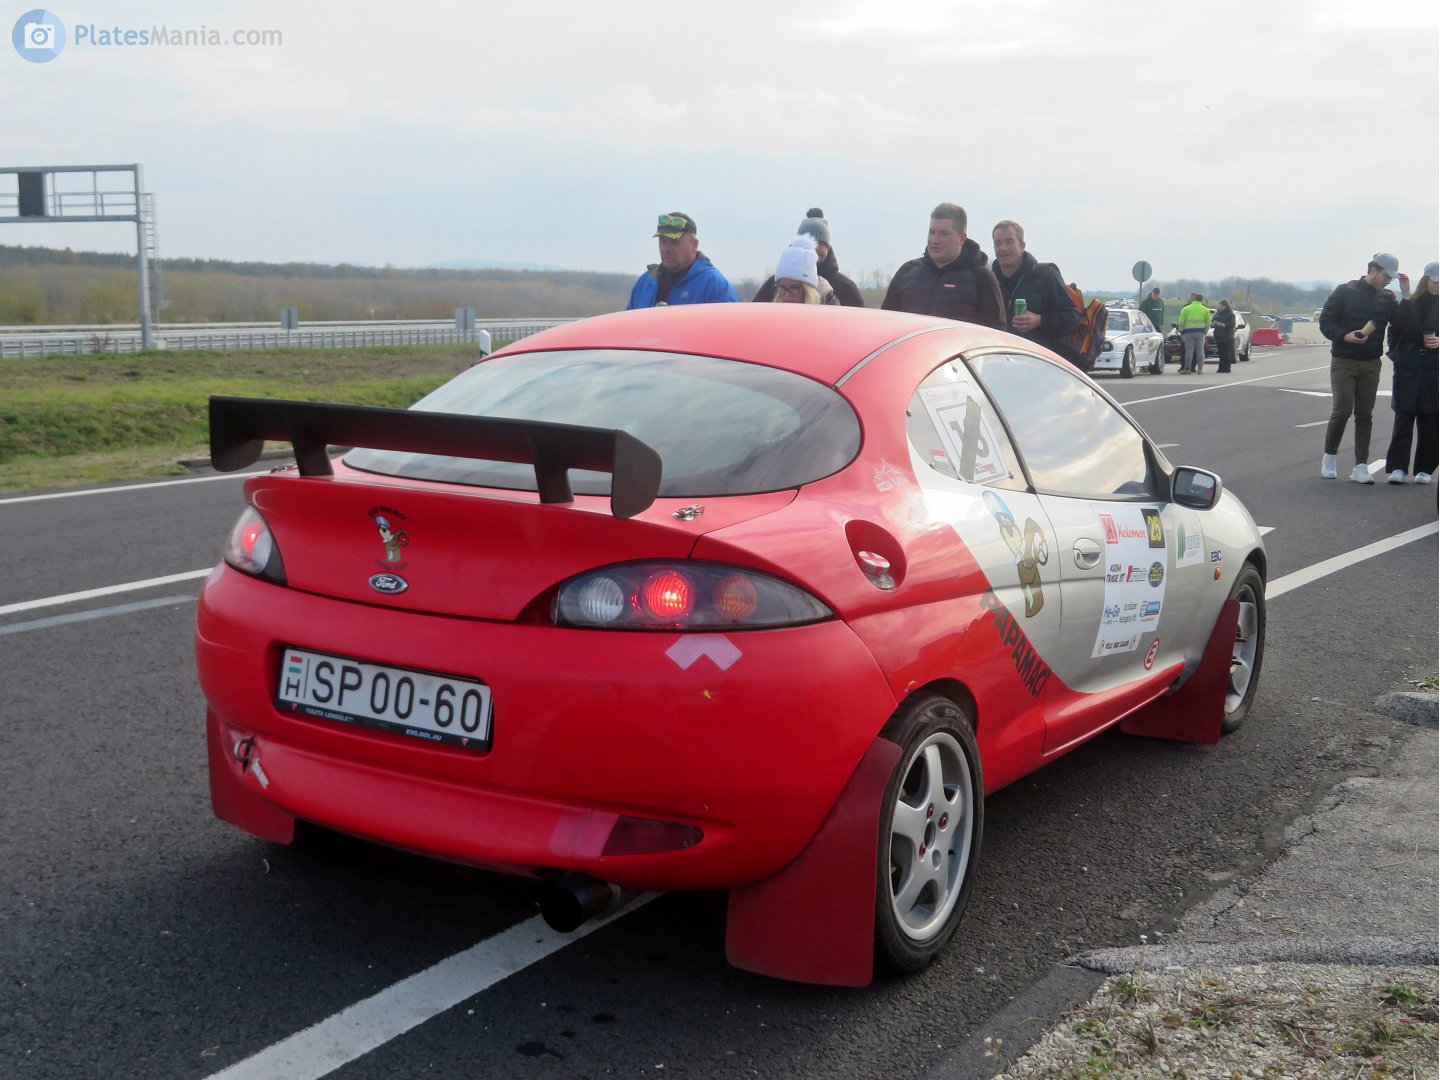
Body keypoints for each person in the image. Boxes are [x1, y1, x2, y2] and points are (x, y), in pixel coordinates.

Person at [1318, 253, 1404, 482]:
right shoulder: (1345, 291)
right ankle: (1329, 455)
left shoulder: (1388, 298)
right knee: (1343, 409)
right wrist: (1343, 336)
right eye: (1387, 276)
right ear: (1374, 270)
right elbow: (1325, 321)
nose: (1388, 281)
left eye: (1392, 279)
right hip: (1344, 359)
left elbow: (1405, 322)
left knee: (1365, 414)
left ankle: (1360, 466)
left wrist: (1405, 294)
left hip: (1371, 362)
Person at [881, 202, 1004, 328]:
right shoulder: (906, 273)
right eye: (932, 232)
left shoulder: (982, 279)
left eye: (944, 234)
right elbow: (885, 323)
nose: (935, 240)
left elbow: (995, 333)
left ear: (961, 238)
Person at [989, 220, 1081, 360]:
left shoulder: (1045, 275)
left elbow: (1072, 317)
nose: (1002, 248)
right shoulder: (989, 279)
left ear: (1022, 246)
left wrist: (1040, 320)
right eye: (998, 243)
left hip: (1039, 363)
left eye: (1009, 242)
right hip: (999, 361)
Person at [1383, 260, 1438, 484]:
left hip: (1435, 368)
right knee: (1403, 418)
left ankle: (1425, 468)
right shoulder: (1410, 302)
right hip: (1408, 366)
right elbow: (1394, 329)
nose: (1437, 286)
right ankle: (1398, 467)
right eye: (1434, 281)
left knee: (1431, 420)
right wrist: (1399, 356)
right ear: (1425, 280)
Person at [752, 209, 865, 306]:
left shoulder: (845, 287)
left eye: (820, 243)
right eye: (810, 242)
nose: (815, 248)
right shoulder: (776, 285)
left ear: (828, 246)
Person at [626, 212, 738, 309]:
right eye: (663, 241)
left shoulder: (713, 284)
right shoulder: (645, 282)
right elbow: (628, 327)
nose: (667, 249)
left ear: (694, 245)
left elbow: (731, 328)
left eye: (675, 243)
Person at [768, 236, 839, 305]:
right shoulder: (772, 312)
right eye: (782, 287)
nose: (786, 295)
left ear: (808, 290)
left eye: (794, 288)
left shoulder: (829, 311)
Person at [1176, 293, 1210, 373]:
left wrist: (1181, 330)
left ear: (1193, 299)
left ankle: (1187, 368)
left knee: (1189, 350)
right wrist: (1206, 330)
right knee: (1200, 350)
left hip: (1188, 332)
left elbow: (1181, 321)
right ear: (1201, 300)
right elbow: (1208, 322)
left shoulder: (1186, 308)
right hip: (1200, 332)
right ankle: (1200, 369)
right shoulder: (1205, 309)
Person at [1212, 299, 1237, 373]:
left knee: (1225, 352)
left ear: (1226, 306)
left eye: (1222, 306)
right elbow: (1212, 322)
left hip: (1227, 336)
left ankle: (1226, 368)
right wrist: (1213, 324)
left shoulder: (1230, 314)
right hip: (1218, 335)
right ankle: (1221, 367)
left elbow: (1231, 324)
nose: (1220, 307)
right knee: (1221, 352)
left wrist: (1222, 324)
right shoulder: (1217, 314)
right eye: (1219, 306)